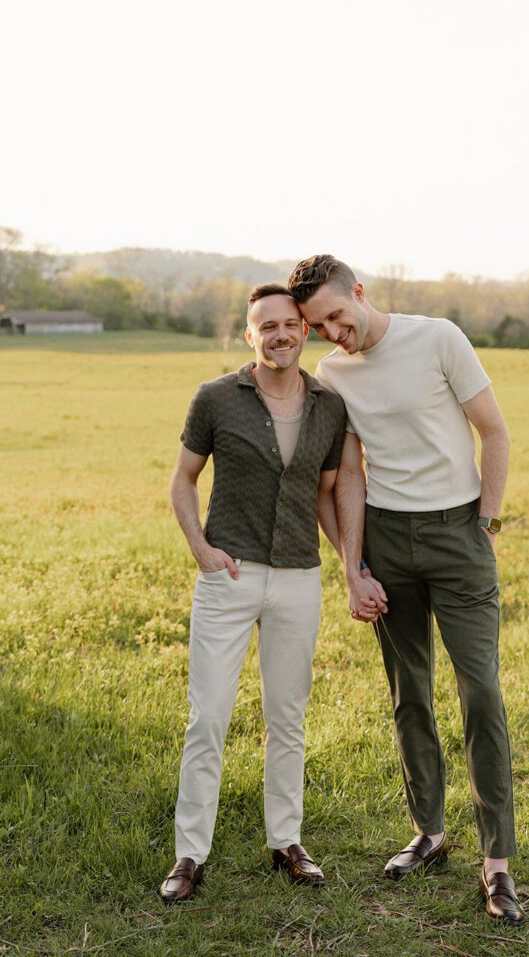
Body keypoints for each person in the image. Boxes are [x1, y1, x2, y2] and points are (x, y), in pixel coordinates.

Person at [288, 255, 524, 926]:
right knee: (407, 691)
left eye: (336, 315)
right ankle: (428, 829)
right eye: (317, 325)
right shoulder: (333, 375)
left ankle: (497, 861)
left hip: (458, 536)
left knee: (479, 688)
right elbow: (349, 476)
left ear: (358, 293)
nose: (332, 332)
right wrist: (354, 565)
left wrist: (487, 521)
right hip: (387, 543)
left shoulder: (438, 337)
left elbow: (494, 432)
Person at [159, 283, 347, 903]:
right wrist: (201, 550)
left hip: (298, 576)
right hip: (228, 575)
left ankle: (286, 842)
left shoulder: (329, 404)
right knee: (208, 717)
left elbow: (326, 493)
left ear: (305, 329)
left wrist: (353, 563)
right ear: (250, 335)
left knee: (287, 718)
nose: (280, 334)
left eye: (290, 323)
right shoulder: (215, 398)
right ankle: (190, 855)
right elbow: (183, 481)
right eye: (266, 326)